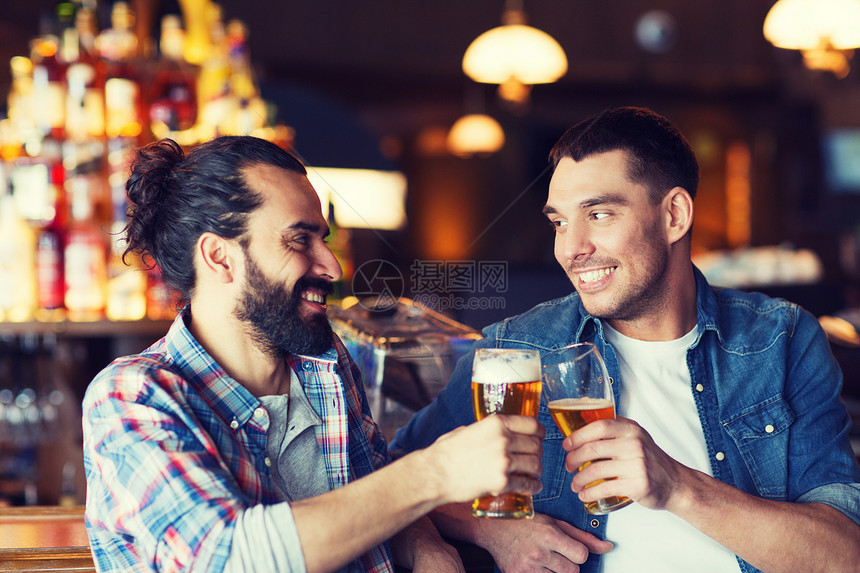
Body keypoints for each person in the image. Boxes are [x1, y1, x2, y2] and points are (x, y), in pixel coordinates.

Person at [390, 107, 860, 573]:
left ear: (674, 215)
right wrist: (492, 531)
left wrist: (676, 486)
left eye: (598, 214)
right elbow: (391, 478)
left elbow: (844, 556)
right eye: (559, 222)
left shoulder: (782, 340)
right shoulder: (517, 349)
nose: (570, 248)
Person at [82, 135, 545, 573]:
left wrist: (430, 551)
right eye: (299, 239)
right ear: (219, 258)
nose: (333, 265)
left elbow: (373, 497)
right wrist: (434, 472)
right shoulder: (134, 397)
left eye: (322, 237)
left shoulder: (323, 364)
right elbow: (228, 558)